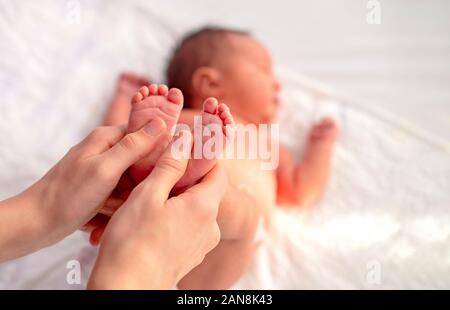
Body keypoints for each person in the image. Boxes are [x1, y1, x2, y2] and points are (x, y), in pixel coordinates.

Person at [101, 27, 340, 289]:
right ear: (210, 83)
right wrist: (126, 101)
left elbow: (300, 190)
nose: (277, 84)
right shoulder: (180, 118)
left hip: (219, 250)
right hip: (153, 231)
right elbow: (114, 143)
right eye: (264, 70)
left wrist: (321, 145)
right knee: (134, 149)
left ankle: (196, 180)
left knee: (237, 217)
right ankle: (189, 179)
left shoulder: (268, 142)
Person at [0, 117, 225, 289]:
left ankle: (172, 175)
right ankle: (185, 178)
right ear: (206, 81)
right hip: (166, 251)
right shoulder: (194, 119)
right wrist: (142, 272)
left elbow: (110, 162)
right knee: (239, 222)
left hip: (130, 248)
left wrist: (41, 211)